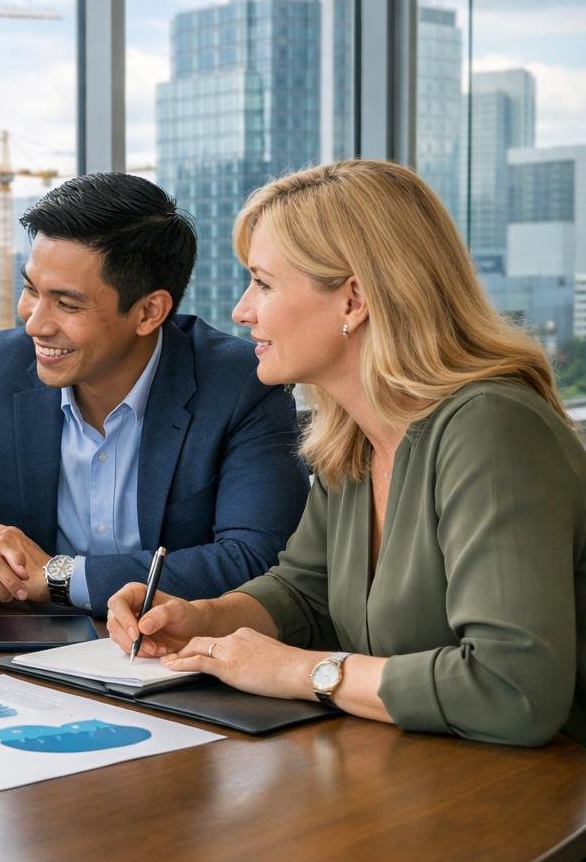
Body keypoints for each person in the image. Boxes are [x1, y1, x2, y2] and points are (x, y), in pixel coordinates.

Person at [109, 159, 586, 747]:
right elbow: (306, 591)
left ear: (353, 300)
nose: (241, 311)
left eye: (262, 282)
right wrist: (204, 618)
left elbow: (510, 688)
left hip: (537, 807)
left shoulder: (491, 426)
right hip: (422, 778)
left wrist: (300, 672)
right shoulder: (355, 435)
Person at [0, 172, 307, 615]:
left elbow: (256, 559)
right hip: (28, 655)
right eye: (31, 290)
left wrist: (61, 577)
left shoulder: (241, 383)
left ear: (148, 312)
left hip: (172, 654)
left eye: (67, 304)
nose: (35, 323)